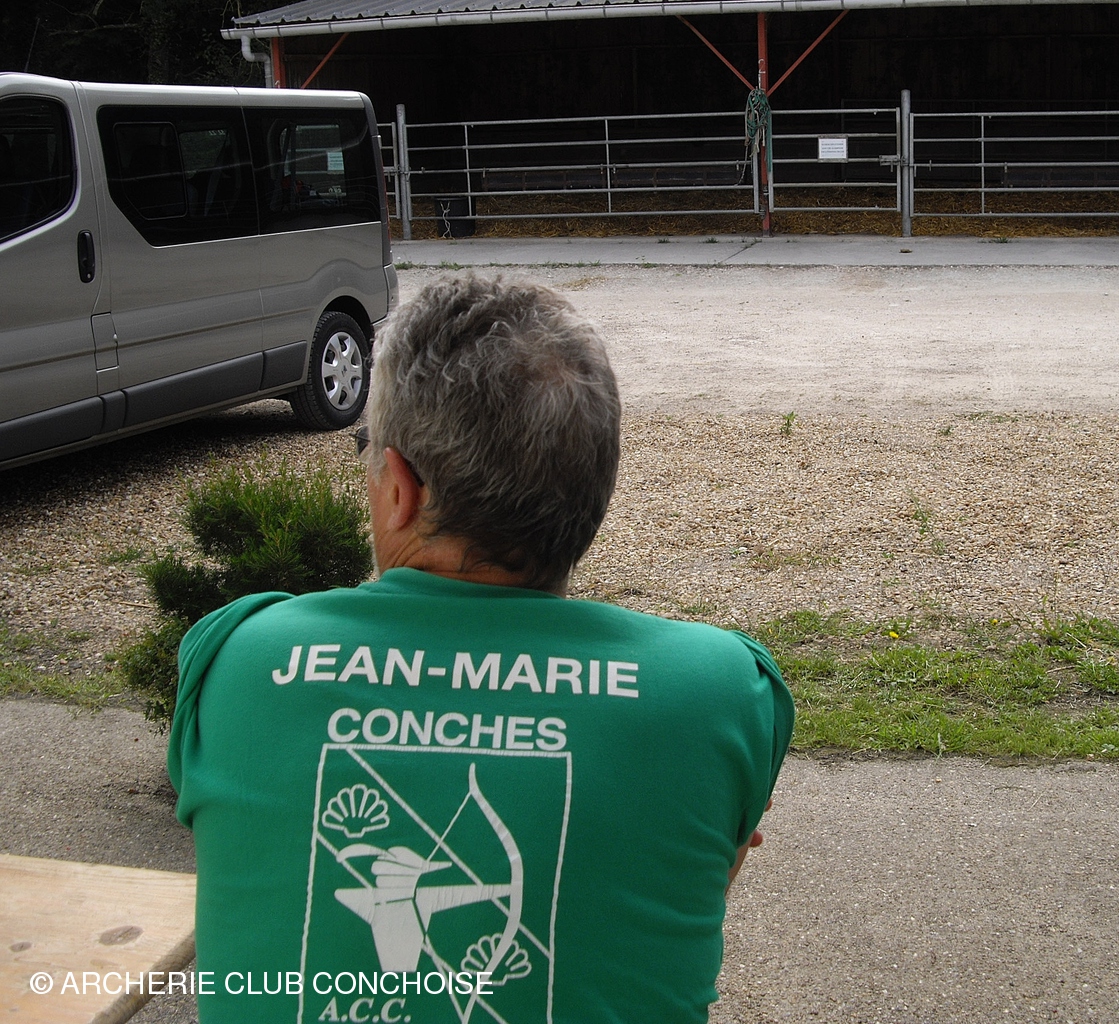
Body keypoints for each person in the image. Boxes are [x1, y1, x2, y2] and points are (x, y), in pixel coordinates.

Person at [168, 273, 793, 1024]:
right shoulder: (720, 692)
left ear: (400, 489)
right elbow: (683, 892)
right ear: (593, 492)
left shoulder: (237, 657)